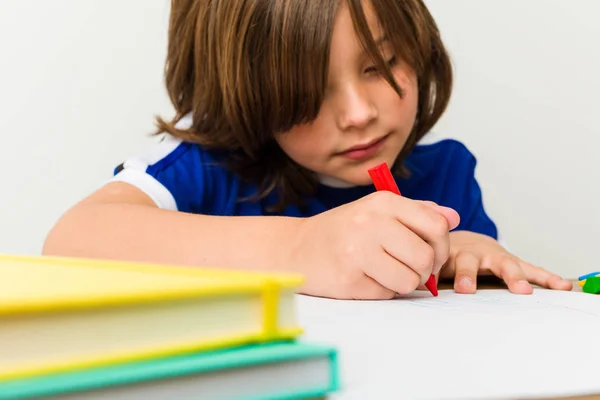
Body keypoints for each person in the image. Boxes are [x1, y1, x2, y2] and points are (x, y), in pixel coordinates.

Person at [42, 0, 572, 299]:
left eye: (378, 66)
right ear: (242, 94)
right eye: (306, 94)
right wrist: (297, 249)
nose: (358, 112)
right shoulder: (209, 174)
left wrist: (478, 260)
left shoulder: (448, 175)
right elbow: (69, 243)